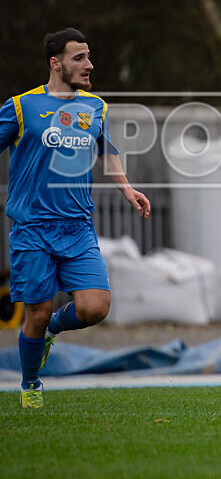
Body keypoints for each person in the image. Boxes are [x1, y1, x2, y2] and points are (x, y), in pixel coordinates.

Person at [0, 28, 151, 408]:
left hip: (78, 227)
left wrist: (127, 188)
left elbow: (107, 149)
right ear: (56, 63)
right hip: (32, 228)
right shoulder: (22, 106)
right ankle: (31, 384)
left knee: (94, 307)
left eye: (89, 57)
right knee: (35, 312)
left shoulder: (95, 107)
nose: (89, 65)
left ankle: (53, 329)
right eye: (79, 58)